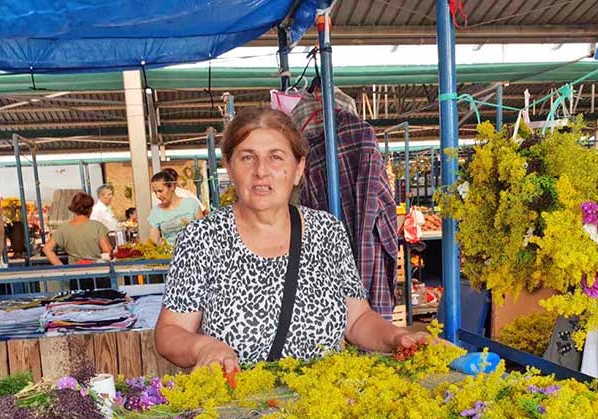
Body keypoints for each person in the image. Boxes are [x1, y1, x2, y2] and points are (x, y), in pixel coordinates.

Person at [154, 108, 428, 372]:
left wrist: (396, 337)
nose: (261, 171)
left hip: (322, 406)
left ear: (298, 169)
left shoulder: (327, 231)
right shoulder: (203, 239)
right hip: (238, 409)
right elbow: (170, 332)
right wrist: (203, 347)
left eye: (276, 157)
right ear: (229, 166)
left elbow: (357, 319)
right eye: (247, 157)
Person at [42, 193, 112, 265]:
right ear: (90, 209)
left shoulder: (63, 228)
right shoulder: (98, 226)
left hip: (75, 271)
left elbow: (47, 249)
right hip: (97, 270)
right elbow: (107, 251)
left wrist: (62, 267)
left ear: (74, 209)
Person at [148, 168, 204, 245]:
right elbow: (154, 241)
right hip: (170, 255)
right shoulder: (155, 212)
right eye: (155, 192)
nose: (158, 196)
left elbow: (203, 233)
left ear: (172, 186)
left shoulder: (192, 204)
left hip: (194, 252)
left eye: (160, 191)